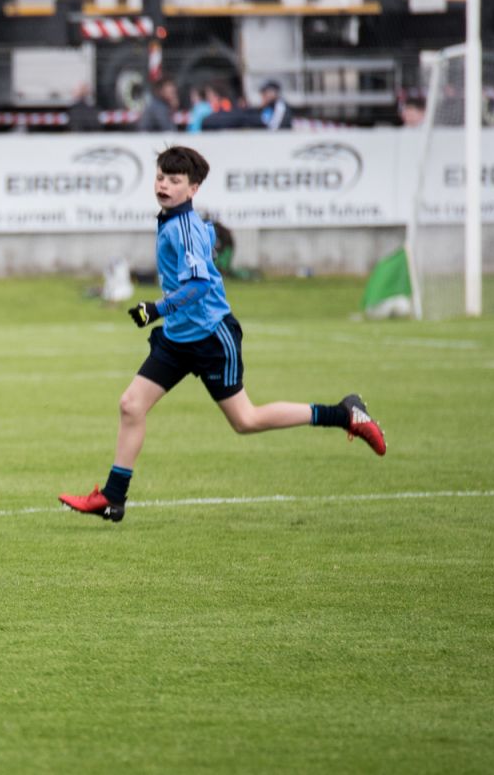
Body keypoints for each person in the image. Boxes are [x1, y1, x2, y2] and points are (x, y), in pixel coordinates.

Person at [58, 145, 386, 524]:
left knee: (245, 420)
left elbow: (197, 285)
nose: (164, 185)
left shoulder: (184, 228)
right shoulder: (170, 219)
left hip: (212, 336)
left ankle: (344, 414)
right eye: (161, 177)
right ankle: (113, 497)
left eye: (174, 180)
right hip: (179, 337)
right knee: (131, 405)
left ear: (193, 188)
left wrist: (155, 308)